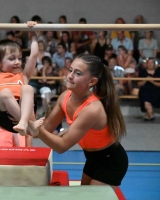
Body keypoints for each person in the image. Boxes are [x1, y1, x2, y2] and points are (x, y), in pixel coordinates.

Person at [33, 54, 128, 190]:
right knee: (83, 195)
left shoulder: (92, 109)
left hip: (111, 162)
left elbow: (61, 147)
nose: (70, 75)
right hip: (92, 158)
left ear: (92, 81)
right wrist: (23, 120)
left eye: (78, 73)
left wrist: (35, 128)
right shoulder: (65, 97)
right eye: (70, 70)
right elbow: (46, 129)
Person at [0, 20, 43, 136]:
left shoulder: (23, 76)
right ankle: (30, 125)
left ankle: (25, 123)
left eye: (19, 58)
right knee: (5, 93)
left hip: (24, 113)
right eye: (12, 59)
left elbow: (34, 55)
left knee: (28, 88)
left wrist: (34, 34)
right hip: (5, 117)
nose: (17, 62)